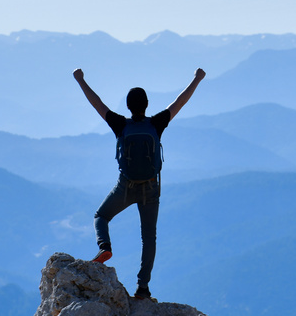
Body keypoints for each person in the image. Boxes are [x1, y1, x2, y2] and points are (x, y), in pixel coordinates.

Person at [72, 67, 206, 300]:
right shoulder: (157, 124)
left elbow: (97, 104)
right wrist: (197, 79)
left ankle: (104, 247)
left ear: (128, 106)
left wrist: (80, 80)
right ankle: (142, 288)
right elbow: (179, 102)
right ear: (146, 104)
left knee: (101, 216)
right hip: (151, 188)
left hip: (125, 186)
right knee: (148, 237)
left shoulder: (120, 125)